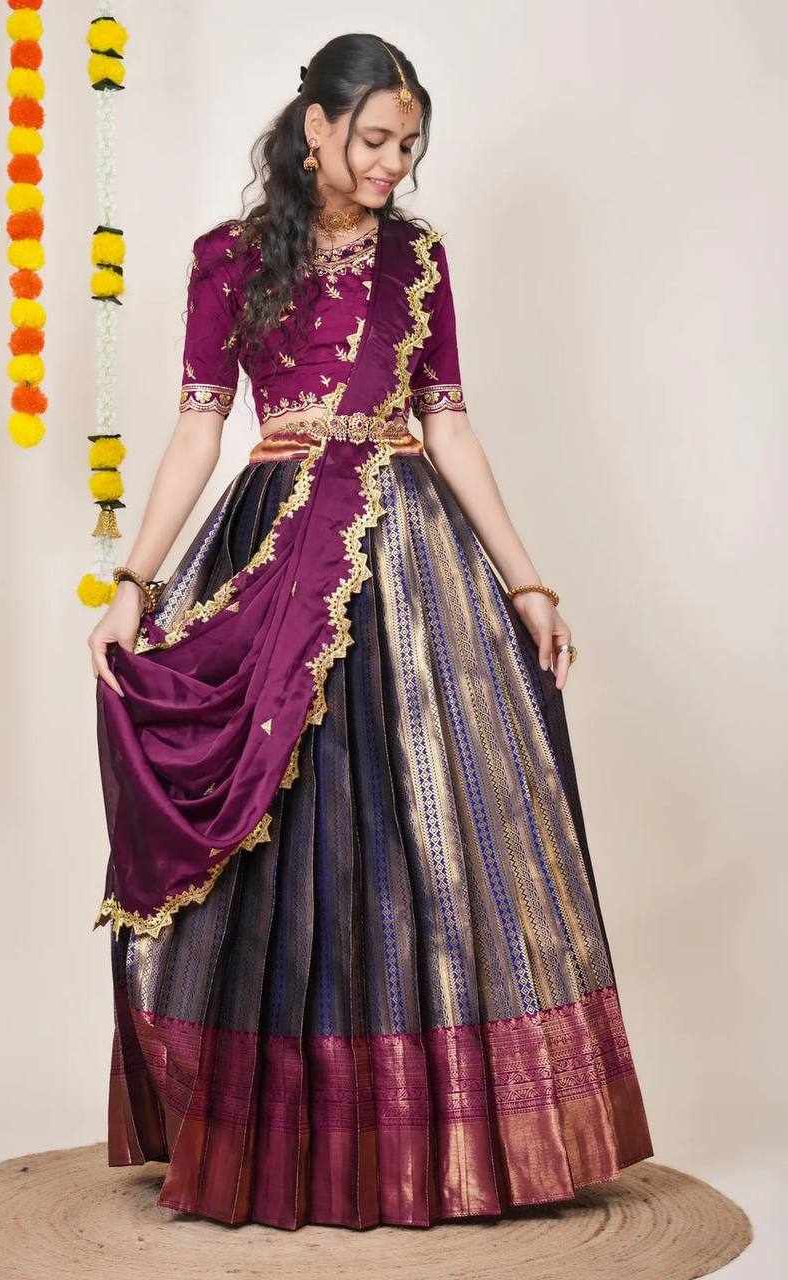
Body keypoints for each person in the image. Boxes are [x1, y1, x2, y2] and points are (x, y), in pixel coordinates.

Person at [87, 33, 653, 1231]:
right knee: (282, 839)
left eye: (410, 144)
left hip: (408, 553)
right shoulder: (228, 259)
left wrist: (528, 584)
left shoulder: (419, 260)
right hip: (273, 553)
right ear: (317, 127)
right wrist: (134, 579)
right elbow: (198, 428)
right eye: (377, 139)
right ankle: (287, 1141)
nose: (395, 164)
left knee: (426, 839)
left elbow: (447, 423)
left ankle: (433, 1140)